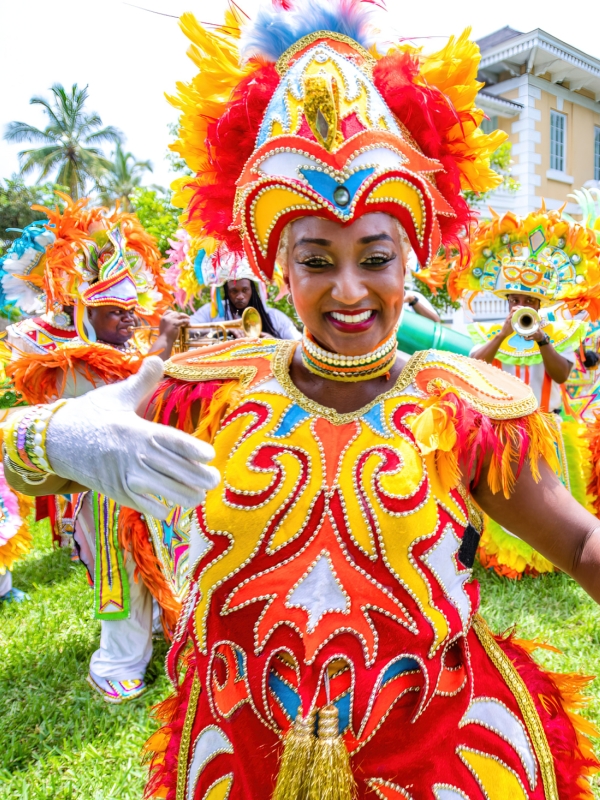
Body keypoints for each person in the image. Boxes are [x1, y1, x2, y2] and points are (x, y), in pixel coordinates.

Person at [5, 4, 600, 796]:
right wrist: (69, 437)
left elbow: (581, 548)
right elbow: (23, 462)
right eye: (317, 259)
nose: (348, 289)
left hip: (433, 761)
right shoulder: (209, 386)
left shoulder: (467, 408)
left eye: (375, 257)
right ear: (278, 264)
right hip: (239, 760)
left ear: (410, 263)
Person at [3, 195, 190, 703]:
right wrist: (161, 350)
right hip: (104, 494)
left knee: (166, 558)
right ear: (83, 310)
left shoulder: (119, 350)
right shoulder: (62, 360)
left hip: (142, 475)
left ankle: (159, 631)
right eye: (115, 313)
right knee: (122, 575)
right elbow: (118, 398)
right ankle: (118, 660)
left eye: (132, 311)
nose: (130, 321)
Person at [448, 208, 598, 577]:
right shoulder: (490, 335)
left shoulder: (554, 337)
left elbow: (561, 375)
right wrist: (501, 334)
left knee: (551, 502)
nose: (521, 307)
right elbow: (473, 366)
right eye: (516, 300)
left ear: (538, 306)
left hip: (547, 430)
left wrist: (542, 338)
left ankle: (550, 559)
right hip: (504, 432)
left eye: (528, 302)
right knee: (502, 499)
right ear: (507, 302)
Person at [190, 252, 301, 340]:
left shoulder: (274, 317)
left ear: (252, 291)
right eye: (234, 291)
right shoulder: (212, 312)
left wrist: (276, 343)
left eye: (245, 290)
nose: (240, 296)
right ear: (227, 293)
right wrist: (221, 329)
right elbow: (186, 329)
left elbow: (299, 342)